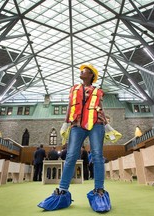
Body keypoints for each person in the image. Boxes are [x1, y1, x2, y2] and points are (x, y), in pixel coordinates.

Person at [38, 63, 112, 212]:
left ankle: (99, 191)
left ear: (91, 75)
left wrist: (107, 125)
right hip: (77, 126)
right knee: (71, 156)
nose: (81, 71)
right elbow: (70, 106)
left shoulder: (98, 91)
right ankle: (62, 191)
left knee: (97, 156)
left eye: (84, 70)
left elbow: (100, 109)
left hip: (96, 125)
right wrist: (65, 123)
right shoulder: (74, 89)